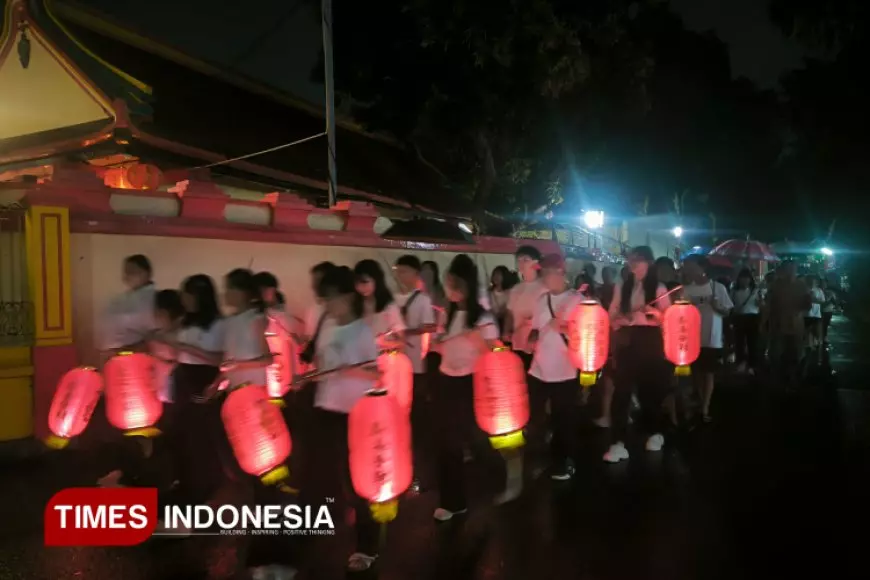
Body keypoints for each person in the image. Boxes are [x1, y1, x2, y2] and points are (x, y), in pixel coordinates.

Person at [308, 266, 381, 573]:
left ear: (348, 297)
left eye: (332, 299)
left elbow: (376, 373)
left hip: (355, 412)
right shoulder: (326, 325)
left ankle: (368, 546)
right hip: (326, 408)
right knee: (329, 477)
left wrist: (347, 369)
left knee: (359, 483)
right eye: (325, 299)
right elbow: (324, 365)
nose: (328, 305)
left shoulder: (362, 330)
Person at [151, 275, 227, 533]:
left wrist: (184, 346)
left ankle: (202, 500)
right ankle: (183, 493)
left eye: (187, 295)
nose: (183, 300)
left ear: (199, 296)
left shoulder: (218, 324)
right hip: (184, 379)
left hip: (202, 379)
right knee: (180, 438)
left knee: (201, 442)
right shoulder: (187, 320)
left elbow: (219, 358)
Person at [433, 254, 503, 521]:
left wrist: (479, 341)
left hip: (471, 383)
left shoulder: (482, 317)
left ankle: (495, 485)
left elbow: (496, 353)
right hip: (446, 381)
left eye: (452, 284)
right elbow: (441, 348)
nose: (449, 289)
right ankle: (453, 501)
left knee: (478, 442)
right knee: (447, 445)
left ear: (464, 285)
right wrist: (439, 342)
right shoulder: (448, 314)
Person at [603, 246, 671, 463]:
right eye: (631, 260)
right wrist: (619, 320)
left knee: (649, 391)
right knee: (621, 391)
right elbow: (611, 313)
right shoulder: (622, 286)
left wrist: (654, 314)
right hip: (627, 341)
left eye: (638, 260)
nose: (633, 264)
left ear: (649, 263)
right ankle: (618, 441)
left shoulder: (659, 288)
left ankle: (654, 432)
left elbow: (669, 319)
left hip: (650, 341)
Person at [96, 254, 159, 488]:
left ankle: (140, 475)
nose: (127, 276)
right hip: (117, 369)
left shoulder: (153, 299)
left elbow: (155, 335)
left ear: (146, 273)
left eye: (132, 270)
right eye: (126, 270)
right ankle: (122, 471)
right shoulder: (124, 299)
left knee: (140, 427)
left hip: (137, 370)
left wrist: (130, 350)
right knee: (118, 423)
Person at [527, 254, 583, 480]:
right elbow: (536, 327)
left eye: (548, 272)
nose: (545, 277)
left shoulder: (577, 300)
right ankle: (542, 456)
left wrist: (566, 328)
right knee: (536, 416)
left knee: (563, 417)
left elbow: (588, 333)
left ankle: (563, 461)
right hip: (538, 367)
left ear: (561, 273)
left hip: (565, 368)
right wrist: (532, 337)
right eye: (543, 273)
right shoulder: (541, 300)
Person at [394, 255, 437, 490]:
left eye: (404, 271)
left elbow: (430, 326)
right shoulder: (391, 299)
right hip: (393, 363)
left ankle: (414, 462)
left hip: (414, 362)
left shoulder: (422, 300)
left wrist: (408, 332)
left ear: (415, 274)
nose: (400, 276)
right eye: (398, 271)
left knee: (414, 411)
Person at [681, 255, 733, 423]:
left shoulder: (718, 288)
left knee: (709, 373)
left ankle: (705, 407)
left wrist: (717, 307)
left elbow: (728, 311)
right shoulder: (686, 289)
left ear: (701, 267)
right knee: (696, 372)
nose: (686, 269)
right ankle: (701, 399)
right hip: (692, 337)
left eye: (689, 265)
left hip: (712, 337)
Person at [503, 246, 547, 370]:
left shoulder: (544, 287)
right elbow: (509, 312)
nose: (521, 263)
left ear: (536, 263)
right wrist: (506, 330)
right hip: (517, 341)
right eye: (519, 260)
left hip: (537, 344)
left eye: (526, 260)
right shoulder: (516, 289)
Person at [767, 262, 809, 388]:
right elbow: (770, 303)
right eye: (788, 269)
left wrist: (800, 311)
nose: (791, 272)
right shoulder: (776, 285)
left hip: (795, 324)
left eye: (793, 269)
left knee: (794, 352)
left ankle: (792, 377)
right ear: (783, 271)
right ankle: (779, 378)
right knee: (778, 352)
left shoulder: (802, 285)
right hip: (779, 323)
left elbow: (807, 304)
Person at [353, 259, 405, 349]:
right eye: (357, 283)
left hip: (383, 357)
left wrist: (380, 341)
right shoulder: (355, 305)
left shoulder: (388, 306)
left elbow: (401, 339)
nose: (361, 287)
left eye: (365, 282)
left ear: (376, 280)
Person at [731, 268, 761, 375]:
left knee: (752, 342)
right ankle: (741, 362)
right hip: (739, 318)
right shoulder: (734, 291)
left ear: (750, 280)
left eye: (747, 279)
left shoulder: (755, 291)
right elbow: (731, 304)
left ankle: (752, 365)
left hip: (752, 317)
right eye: (742, 279)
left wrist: (760, 302)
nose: (744, 281)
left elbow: (760, 305)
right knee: (739, 342)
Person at [804, 275, 825, 366]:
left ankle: (818, 347)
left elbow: (822, 301)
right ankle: (809, 347)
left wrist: (813, 299)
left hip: (816, 315)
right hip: (806, 315)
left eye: (814, 281)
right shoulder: (804, 290)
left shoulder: (819, 290)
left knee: (817, 331)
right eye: (810, 281)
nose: (812, 282)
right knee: (807, 331)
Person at [489, 265, 516, 332]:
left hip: (505, 327)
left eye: (498, 274)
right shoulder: (489, 293)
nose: (496, 277)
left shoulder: (510, 293)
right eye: (494, 274)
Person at [821, 278, 837, 345]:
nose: (823, 285)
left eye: (824, 283)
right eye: (822, 283)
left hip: (828, 311)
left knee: (825, 325)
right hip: (820, 311)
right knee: (820, 325)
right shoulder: (818, 291)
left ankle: (824, 337)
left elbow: (834, 302)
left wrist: (831, 300)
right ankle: (820, 338)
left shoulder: (830, 292)